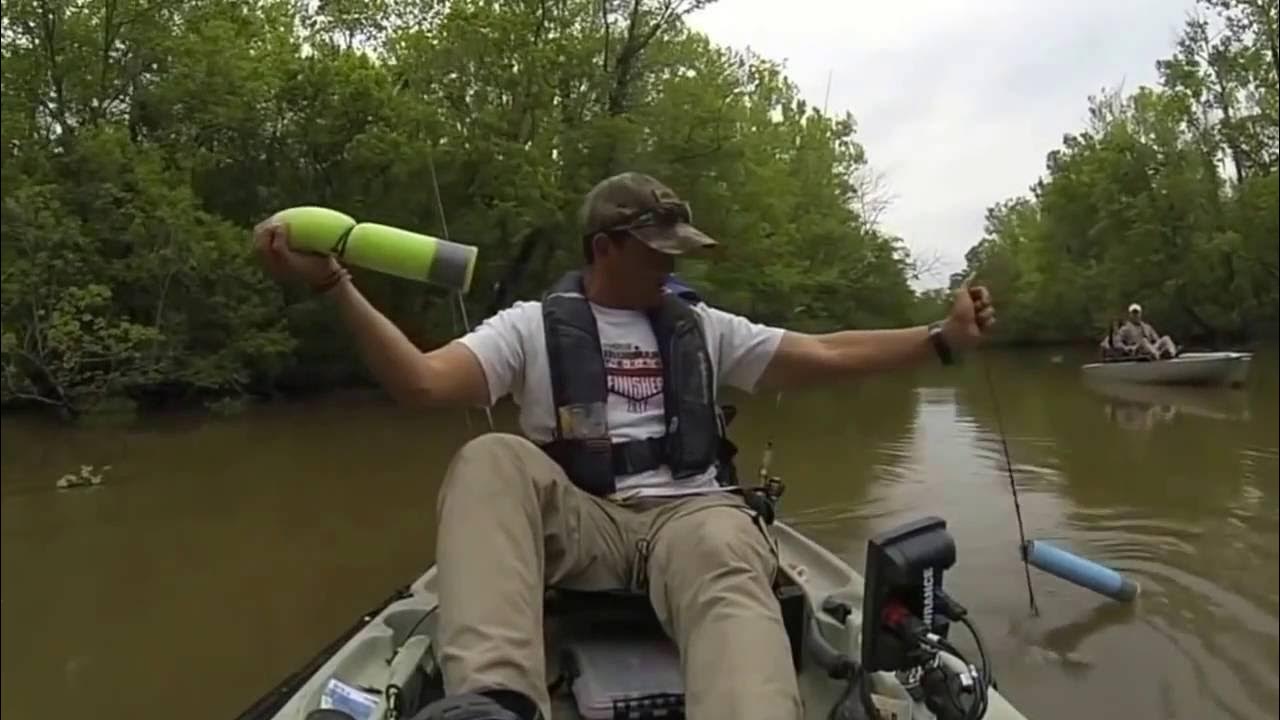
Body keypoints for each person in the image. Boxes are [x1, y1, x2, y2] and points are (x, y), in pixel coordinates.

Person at [252, 172, 997, 720]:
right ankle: (495, 703)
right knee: (489, 459)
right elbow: (420, 383)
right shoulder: (529, 326)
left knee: (724, 542)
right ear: (603, 247)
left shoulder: (701, 326)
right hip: (586, 520)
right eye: (655, 250)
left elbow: (826, 354)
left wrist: (938, 339)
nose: (672, 265)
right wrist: (336, 288)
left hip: (691, 518)